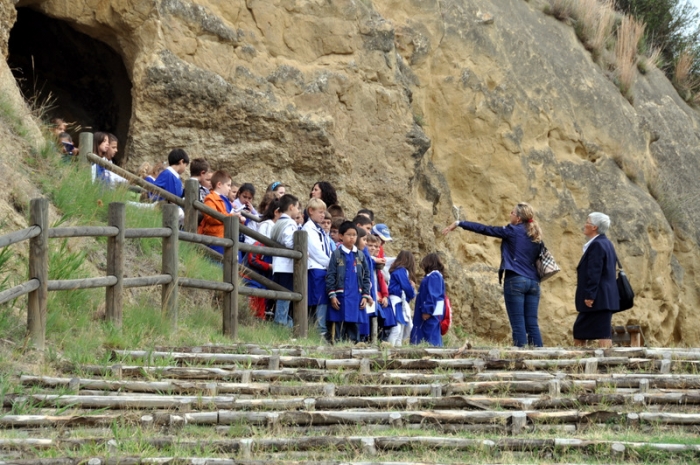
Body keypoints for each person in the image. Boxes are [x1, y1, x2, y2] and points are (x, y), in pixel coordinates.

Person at [442, 202, 544, 347]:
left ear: (519, 219)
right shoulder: (536, 236)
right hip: (533, 283)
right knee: (532, 324)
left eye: (512, 213)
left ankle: (522, 359)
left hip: (515, 279)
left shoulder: (512, 230)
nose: (510, 214)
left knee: (518, 323)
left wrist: (460, 223)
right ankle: (539, 359)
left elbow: (486, 229)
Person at [574, 212, 620, 348]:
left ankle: (600, 361)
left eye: (587, 222)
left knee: (583, 330)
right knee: (599, 331)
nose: (584, 224)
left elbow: (594, 273)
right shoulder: (607, 243)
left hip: (597, 299)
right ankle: (596, 362)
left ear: (594, 227)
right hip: (604, 298)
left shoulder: (597, 245)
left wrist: (589, 295)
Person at [326, 221, 372, 343]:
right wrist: (332, 295)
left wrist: (365, 295)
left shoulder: (360, 255)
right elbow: (331, 275)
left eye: (354, 235)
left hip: (357, 297)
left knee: (354, 327)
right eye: (349, 234)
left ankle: (354, 349)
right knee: (339, 327)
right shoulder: (336, 255)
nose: (352, 237)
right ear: (341, 236)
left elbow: (367, 276)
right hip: (341, 297)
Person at [303, 198, 332, 341]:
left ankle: (320, 330)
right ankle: (320, 331)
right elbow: (315, 251)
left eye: (324, 212)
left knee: (323, 300)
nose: (323, 215)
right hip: (316, 268)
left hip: (323, 268)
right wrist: (330, 263)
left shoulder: (320, 229)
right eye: (320, 212)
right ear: (311, 211)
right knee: (320, 301)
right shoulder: (308, 228)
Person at [270, 194, 301, 328]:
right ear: (291, 207)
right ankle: (281, 323)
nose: (299, 211)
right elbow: (289, 242)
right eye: (298, 208)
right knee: (285, 295)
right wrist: (300, 248)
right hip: (286, 266)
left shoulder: (277, 222)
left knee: (283, 295)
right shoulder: (289, 223)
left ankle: (284, 322)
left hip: (278, 265)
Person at [410, 253, 446, 347]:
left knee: (429, 335)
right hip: (429, 312)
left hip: (430, 314)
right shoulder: (433, 276)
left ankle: (434, 355)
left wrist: (428, 310)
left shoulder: (434, 276)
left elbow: (433, 295)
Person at [198, 171, 238, 254]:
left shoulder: (226, 200)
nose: (230, 188)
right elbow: (211, 217)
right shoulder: (210, 198)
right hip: (215, 237)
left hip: (226, 236)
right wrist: (231, 216)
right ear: (219, 185)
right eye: (228, 185)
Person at [387, 250, 417, 346]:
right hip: (397, 301)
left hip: (400, 301)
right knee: (397, 329)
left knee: (401, 330)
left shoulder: (399, 270)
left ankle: (396, 353)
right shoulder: (401, 270)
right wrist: (412, 291)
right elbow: (406, 286)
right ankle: (389, 350)